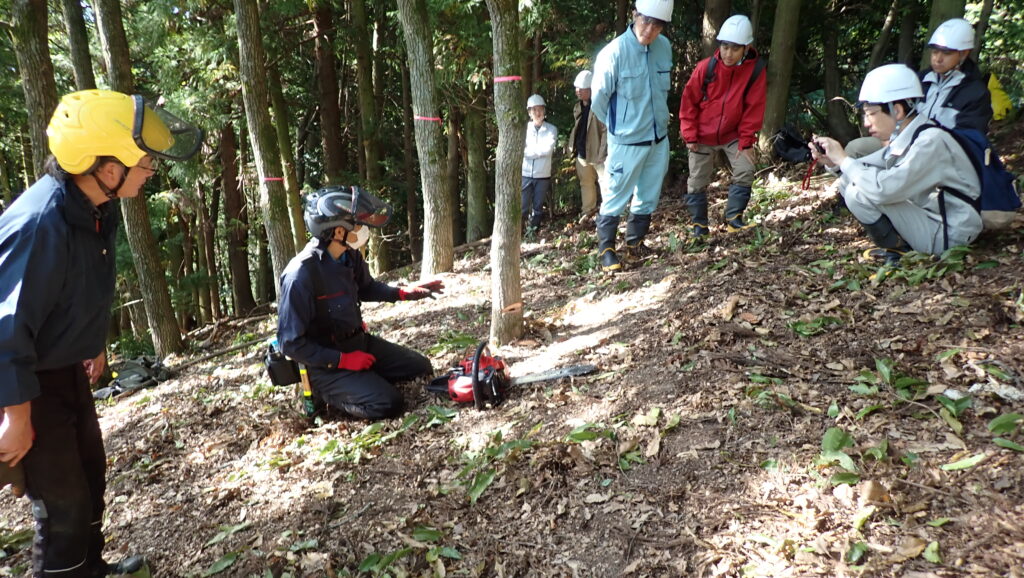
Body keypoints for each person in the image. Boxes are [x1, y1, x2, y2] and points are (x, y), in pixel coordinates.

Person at [0, 89, 201, 577]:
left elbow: (79, 288)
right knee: (61, 506)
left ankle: (90, 569)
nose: (151, 171)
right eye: (143, 161)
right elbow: (7, 326)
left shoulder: (94, 207)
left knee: (90, 477)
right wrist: (16, 414)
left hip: (63, 368)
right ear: (106, 167)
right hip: (26, 383)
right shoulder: (41, 223)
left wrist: (92, 346)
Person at [277, 186, 440, 420]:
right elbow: (290, 343)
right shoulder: (301, 275)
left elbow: (367, 288)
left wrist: (403, 293)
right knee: (388, 404)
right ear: (337, 230)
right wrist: (343, 361)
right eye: (355, 223)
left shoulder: (349, 255)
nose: (361, 229)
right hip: (325, 365)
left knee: (420, 367)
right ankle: (328, 395)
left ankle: (363, 381)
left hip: (358, 343)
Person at [810, 64, 982, 265]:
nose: (866, 122)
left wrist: (844, 160)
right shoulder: (911, 136)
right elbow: (863, 168)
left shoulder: (929, 142)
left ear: (897, 110)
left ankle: (900, 255)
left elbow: (883, 189)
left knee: (860, 192)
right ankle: (900, 250)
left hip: (949, 235)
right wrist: (834, 162)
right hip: (932, 219)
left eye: (871, 113)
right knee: (850, 182)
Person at [590, 0, 674, 272]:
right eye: (645, 21)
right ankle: (607, 251)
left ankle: (635, 244)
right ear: (635, 14)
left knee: (648, 195)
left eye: (657, 25)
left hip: (658, 138)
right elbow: (599, 101)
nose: (649, 30)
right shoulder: (613, 53)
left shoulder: (664, 48)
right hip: (626, 141)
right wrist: (621, 126)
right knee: (615, 195)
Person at [845, 18, 992, 159]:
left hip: (938, 154)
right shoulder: (918, 80)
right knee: (855, 148)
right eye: (935, 52)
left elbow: (969, 140)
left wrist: (920, 143)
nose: (938, 59)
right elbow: (895, 114)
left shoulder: (976, 93)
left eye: (946, 53)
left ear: (964, 53)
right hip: (901, 141)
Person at [679, 14, 767, 236]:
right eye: (725, 47)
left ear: (746, 48)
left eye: (734, 48)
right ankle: (699, 224)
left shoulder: (755, 70)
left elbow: (753, 108)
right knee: (697, 180)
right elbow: (688, 103)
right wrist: (689, 135)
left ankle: (734, 218)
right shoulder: (705, 68)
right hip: (701, 135)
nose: (728, 53)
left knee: (745, 169)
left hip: (733, 134)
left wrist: (747, 141)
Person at [566, 70, 607, 221]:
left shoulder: (599, 106)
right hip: (582, 153)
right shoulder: (578, 107)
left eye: (581, 89)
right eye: (576, 88)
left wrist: (603, 153)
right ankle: (588, 212)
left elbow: (605, 131)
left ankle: (608, 212)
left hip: (598, 154)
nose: (578, 91)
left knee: (604, 182)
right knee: (586, 183)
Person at [521, 94, 558, 236]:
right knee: (522, 207)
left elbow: (547, 150)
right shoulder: (524, 129)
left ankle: (533, 233)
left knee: (538, 207)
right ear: (529, 112)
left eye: (540, 109)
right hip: (525, 173)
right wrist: (537, 152)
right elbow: (521, 151)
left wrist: (530, 152)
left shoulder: (551, 129)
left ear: (544, 111)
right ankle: (520, 233)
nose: (538, 113)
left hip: (542, 174)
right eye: (534, 110)